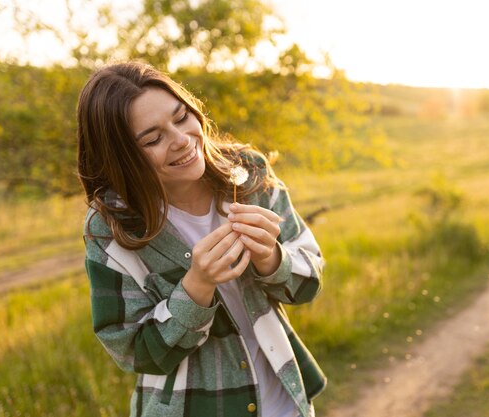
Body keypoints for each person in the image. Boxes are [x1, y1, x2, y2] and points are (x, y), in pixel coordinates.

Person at [76, 61, 326, 417]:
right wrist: (197, 285)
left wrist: (272, 258)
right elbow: (134, 351)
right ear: (123, 157)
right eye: (153, 138)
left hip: (284, 404)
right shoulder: (110, 227)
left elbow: (310, 281)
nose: (181, 141)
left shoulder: (248, 173)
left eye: (181, 118)